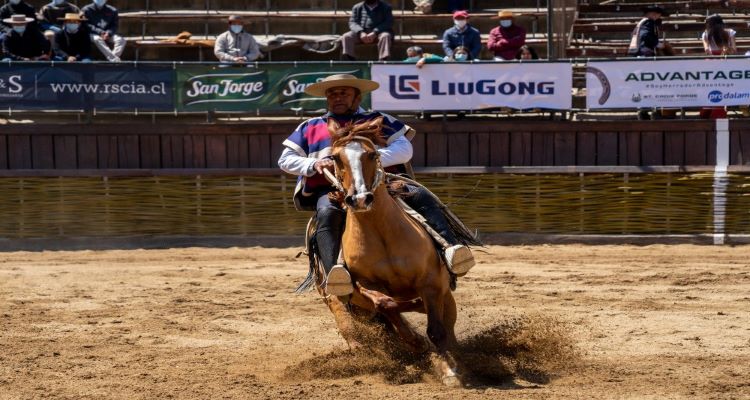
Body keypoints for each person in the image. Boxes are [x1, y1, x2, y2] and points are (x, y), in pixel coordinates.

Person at [277, 74, 475, 296]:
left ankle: (450, 252)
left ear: (357, 97)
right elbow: (285, 160)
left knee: (420, 196)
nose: (337, 98)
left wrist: (369, 159)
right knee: (326, 213)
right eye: (332, 94)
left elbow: (404, 149)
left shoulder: (379, 119)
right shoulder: (310, 126)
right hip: (334, 188)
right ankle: (335, 275)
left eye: (344, 93)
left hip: (384, 184)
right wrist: (314, 163)